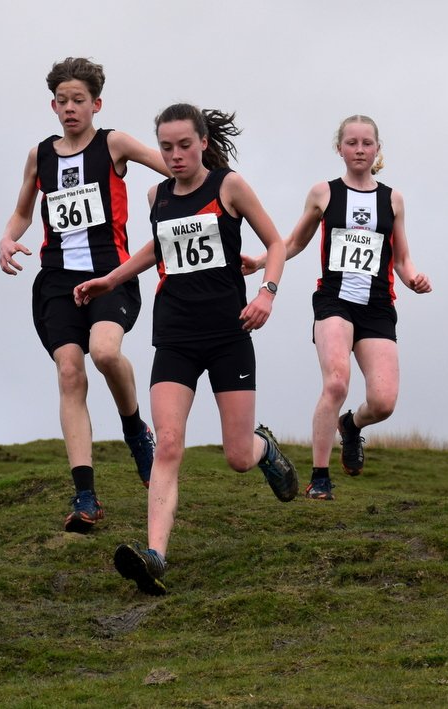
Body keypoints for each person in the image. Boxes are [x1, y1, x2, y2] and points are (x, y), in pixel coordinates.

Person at [75, 103, 298, 595]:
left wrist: (268, 292)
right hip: (174, 335)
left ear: (201, 143)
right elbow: (156, 248)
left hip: (228, 334)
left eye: (183, 145)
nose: (175, 155)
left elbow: (277, 243)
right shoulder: (155, 195)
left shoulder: (229, 187)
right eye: (166, 147)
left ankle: (265, 449)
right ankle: (155, 554)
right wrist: (110, 280)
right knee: (169, 444)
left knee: (237, 455)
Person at [0, 57, 169, 534]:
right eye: (62, 101)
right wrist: (7, 238)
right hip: (55, 280)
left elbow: (175, 168)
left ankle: (136, 430)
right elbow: (21, 212)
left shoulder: (113, 143)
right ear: (52, 105)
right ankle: (86, 495)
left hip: (111, 274)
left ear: (96, 103)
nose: (70, 109)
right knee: (70, 372)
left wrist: (180, 198)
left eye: (79, 101)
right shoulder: (40, 156)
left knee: (104, 353)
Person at [243, 115, 432, 500]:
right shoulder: (323, 193)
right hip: (334, 300)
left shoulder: (392, 199)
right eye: (351, 143)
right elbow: (295, 241)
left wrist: (414, 277)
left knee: (383, 402)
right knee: (336, 382)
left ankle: (351, 425)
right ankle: (320, 477)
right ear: (339, 148)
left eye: (366, 143)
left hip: (377, 305)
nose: (359, 150)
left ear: (377, 149)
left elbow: (401, 258)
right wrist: (262, 261)